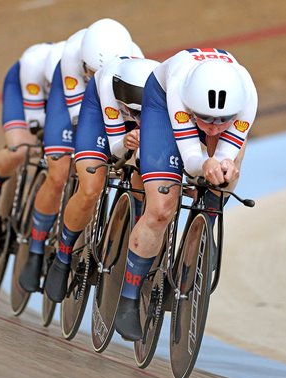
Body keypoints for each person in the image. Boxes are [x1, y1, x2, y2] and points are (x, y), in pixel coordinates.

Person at [113, 47, 258, 341]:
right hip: (162, 105)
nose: (212, 128)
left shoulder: (247, 97)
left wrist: (223, 164)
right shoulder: (180, 90)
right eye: (204, 119)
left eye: (222, 120)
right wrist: (204, 164)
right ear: (193, 108)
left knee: (231, 167)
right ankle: (128, 297)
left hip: (209, 104)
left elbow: (227, 150)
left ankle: (208, 220)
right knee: (162, 208)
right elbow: (192, 156)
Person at [17, 18, 143, 296]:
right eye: (92, 71)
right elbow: (77, 116)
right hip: (74, 103)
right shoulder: (73, 54)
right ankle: (37, 251)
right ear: (84, 64)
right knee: (60, 172)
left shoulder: (136, 61)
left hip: (115, 103)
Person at [37, 56, 160, 303]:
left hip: (149, 112)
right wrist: (126, 142)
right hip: (101, 117)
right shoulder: (106, 85)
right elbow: (116, 149)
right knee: (91, 188)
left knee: (147, 179)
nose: (138, 116)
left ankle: (134, 235)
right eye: (135, 111)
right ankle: (63, 255)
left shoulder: (162, 91)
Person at [0, 41, 65, 228]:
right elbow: (35, 122)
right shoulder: (34, 63)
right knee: (22, 148)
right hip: (24, 91)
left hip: (65, 100)